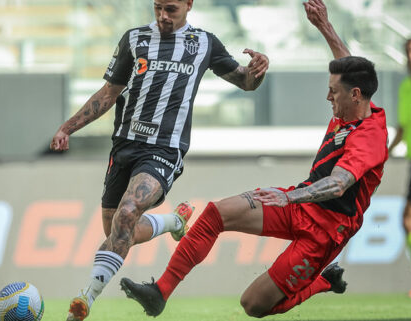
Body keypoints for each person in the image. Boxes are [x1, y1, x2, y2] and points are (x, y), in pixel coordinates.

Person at [120, 0, 388, 317]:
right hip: (301, 202)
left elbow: (339, 184)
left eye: (334, 92)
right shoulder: (352, 108)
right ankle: (159, 292)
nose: (328, 97)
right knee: (216, 213)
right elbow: (348, 65)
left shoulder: (370, 137)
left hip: (327, 231)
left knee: (253, 305)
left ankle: (323, 282)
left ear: (356, 95)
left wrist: (289, 199)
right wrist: (324, 25)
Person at [50, 0, 269, 319]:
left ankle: (84, 301)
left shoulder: (204, 43)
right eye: (157, 8)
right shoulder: (134, 38)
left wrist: (257, 73)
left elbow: (245, 82)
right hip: (124, 146)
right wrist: (67, 128)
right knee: (117, 232)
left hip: (165, 149)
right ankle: (173, 222)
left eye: (171, 9)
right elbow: (109, 93)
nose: (163, 16)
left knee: (128, 212)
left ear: (189, 5)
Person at [388, 35, 411, 298]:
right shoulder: (407, 87)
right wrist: (383, 153)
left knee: (409, 220)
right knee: (408, 222)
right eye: (409, 51)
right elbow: (404, 127)